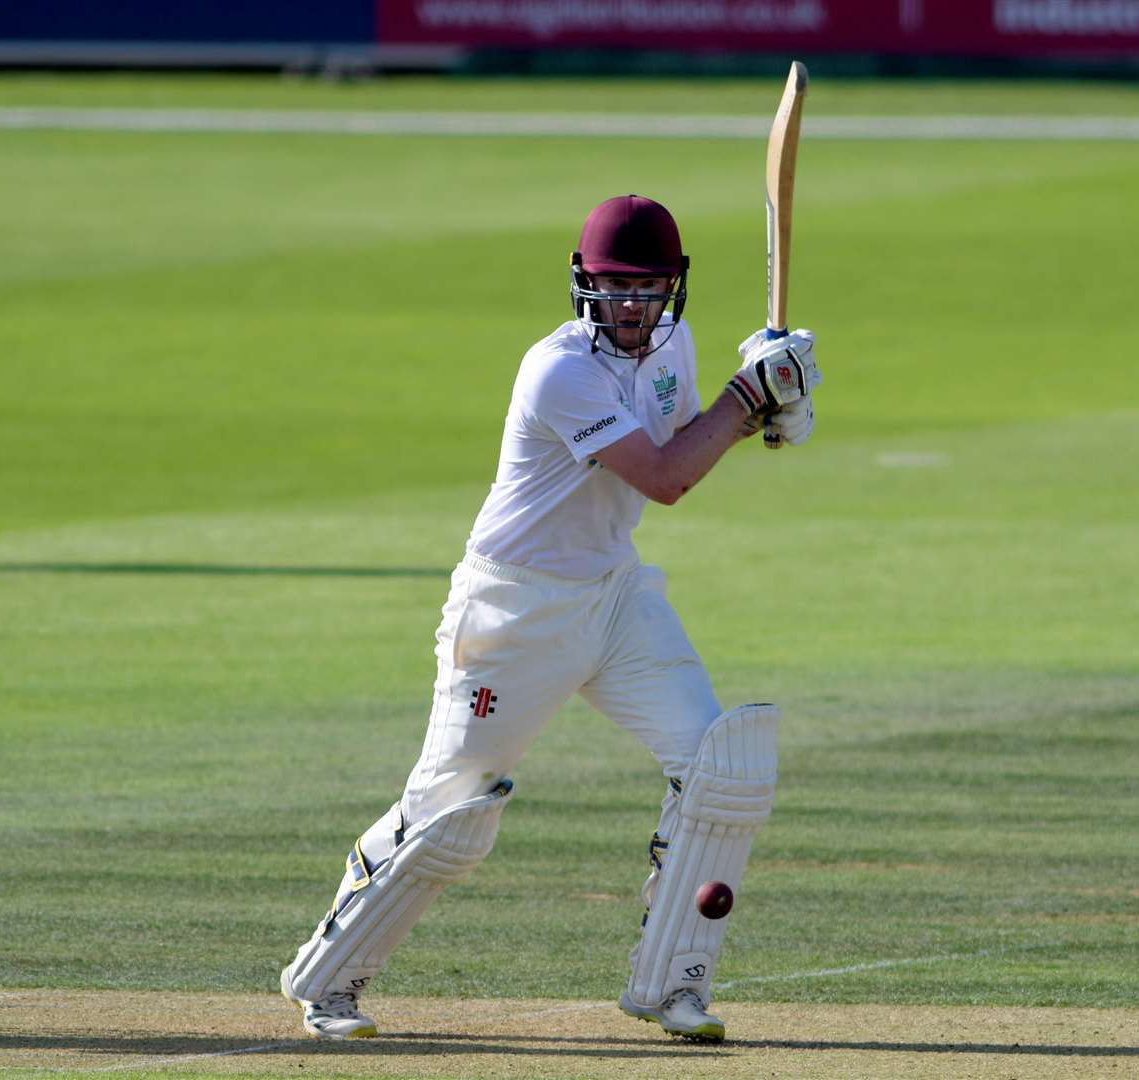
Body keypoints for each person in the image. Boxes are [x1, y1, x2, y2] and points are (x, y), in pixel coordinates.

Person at [280, 194, 820, 1044]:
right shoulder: (558, 371)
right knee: (454, 810)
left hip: (614, 597)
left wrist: (768, 414)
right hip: (514, 610)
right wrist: (745, 397)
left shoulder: (672, 345)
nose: (631, 305)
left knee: (722, 769)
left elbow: (691, 440)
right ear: (583, 284)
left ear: (673, 287)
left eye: (646, 287)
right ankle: (328, 979)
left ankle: (671, 983)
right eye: (614, 286)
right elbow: (665, 477)